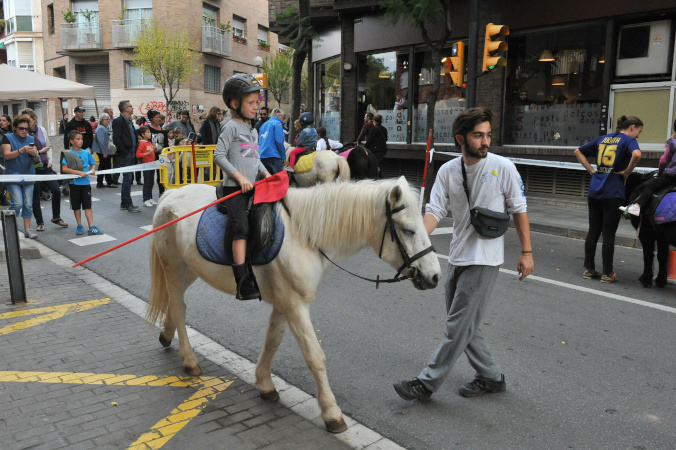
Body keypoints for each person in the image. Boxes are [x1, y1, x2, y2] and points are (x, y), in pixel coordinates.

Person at [393, 107, 534, 402]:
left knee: (457, 324)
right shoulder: (448, 171)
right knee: (464, 323)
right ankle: (491, 376)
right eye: (478, 135)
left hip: (485, 258)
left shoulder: (503, 167)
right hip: (458, 255)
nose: (485, 141)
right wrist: (417, 243)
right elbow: (434, 211)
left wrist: (527, 252)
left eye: (488, 135)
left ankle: (426, 383)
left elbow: (519, 210)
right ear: (461, 139)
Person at [214, 74, 271, 300]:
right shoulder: (230, 128)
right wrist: (239, 177)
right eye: (251, 103)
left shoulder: (253, 130)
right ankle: (242, 281)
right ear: (235, 104)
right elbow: (219, 156)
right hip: (234, 189)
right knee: (242, 228)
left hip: (254, 186)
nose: (256, 107)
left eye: (257, 102)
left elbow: (254, 158)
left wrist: (266, 173)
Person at [574, 115, 643, 283]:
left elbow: (578, 151)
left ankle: (589, 269)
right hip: (614, 192)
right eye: (639, 131)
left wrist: (591, 171)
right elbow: (637, 154)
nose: (638, 136)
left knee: (593, 231)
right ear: (632, 127)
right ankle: (607, 273)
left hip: (595, 190)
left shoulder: (603, 139)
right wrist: (627, 172)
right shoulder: (628, 140)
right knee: (609, 234)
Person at [21, 108, 67, 231]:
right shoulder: (23, 133)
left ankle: (56, 217)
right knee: (35, 196)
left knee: (56, 190)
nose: (25, 122)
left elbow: (48, 146)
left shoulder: (41, 130)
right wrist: (40, 151)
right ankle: (40, 223)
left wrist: (50, 161)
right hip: (32, 168)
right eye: (24, 120)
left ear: (34, 119)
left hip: (45, 166)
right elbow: (29, 153)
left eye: (28, 119)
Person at [620, 119, 676, 217]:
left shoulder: (673, 143)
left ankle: (636, 206)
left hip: (672, 176)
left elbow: (663, 160)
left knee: (651, 187)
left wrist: (660, 172)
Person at [2, 115, 40, 238]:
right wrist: (21, 150)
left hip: (29, 175)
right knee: (18, 203)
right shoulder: (7, 138)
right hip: (13, 175)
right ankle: (9, 223)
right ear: (15, 128)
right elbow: (7, 155)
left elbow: (37, 159)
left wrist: (35, 154)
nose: (24, 131)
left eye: (26, 129)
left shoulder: (30, 138)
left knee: (28, 204)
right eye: (21, 128)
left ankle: (27, 230)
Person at [60, 131, 103, 236]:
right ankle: (79, 225)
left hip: (85, 184)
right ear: (71, 141)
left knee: (87, 205)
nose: (80, 141)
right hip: (74, 184)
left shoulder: (86, 153)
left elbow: (93, 163)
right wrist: (78, 172)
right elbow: (64, 168)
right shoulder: (68, 154)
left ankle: (91, 226)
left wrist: (92, 169)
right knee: (76, 206)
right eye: (78, 139)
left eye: (81, 139)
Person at [112, 100, 141, 213]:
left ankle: (124, 203)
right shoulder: (119, 121)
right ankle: (127, 203)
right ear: (125, 108)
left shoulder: (130, 121)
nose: (132, 108)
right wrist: (125, 151)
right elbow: (117, 138)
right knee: (127, 178)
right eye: (130, 106)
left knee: (129, 178)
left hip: (132, 152)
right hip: (126, 153)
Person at [259, 108, 286, 174]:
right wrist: (283, 157)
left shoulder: (263, 125)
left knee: (267, 180)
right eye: (283, 119)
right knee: (279, 180)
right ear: (281, 117)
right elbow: (279, 141)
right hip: (274, 156)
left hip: (262, 156)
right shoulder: (277, 124)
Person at [146, 109, 167, 197]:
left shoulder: (163, 129)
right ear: (151, 118)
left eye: (159, 117)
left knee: (161, 177)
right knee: (149, 178)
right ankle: (148, 197)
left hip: (161, 156)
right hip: (150, 156)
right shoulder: (148, 129)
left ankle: (161, 194)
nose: (158, 119)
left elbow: (166, 143)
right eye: (156, 117)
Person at [92, 113, 115, 188]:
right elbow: (101, 142)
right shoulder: (101, 128)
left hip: (103, 150)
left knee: (102, 166)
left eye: (108, 119)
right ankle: (109, 182)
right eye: (106, 119)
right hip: (102, 151)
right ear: (102, 120)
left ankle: (100, 182)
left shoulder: (104, 128)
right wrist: (104, 152)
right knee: (107, 166)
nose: (108, 121)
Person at [135, 126, 156, 208]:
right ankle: (145, 199)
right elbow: (138, 154)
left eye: (149, 132)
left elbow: (151, 152)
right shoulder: (142, 143)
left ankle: (150, 198)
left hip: (152, 165)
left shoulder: (149, 142)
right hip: (146, 165)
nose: (150, 134)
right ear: (143, 134)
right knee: (147, 182)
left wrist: (153, 149)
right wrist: (147, 153)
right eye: (148, 132)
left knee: (151, 182)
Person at [0, 114, 14, 206]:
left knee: (9, 178)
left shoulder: (12, 133)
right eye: (0, 120)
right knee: (2, 178)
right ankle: (2, 198)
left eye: (4, 120)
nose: (1, 122)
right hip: (1, 158)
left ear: (9, 122)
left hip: (11, 158)